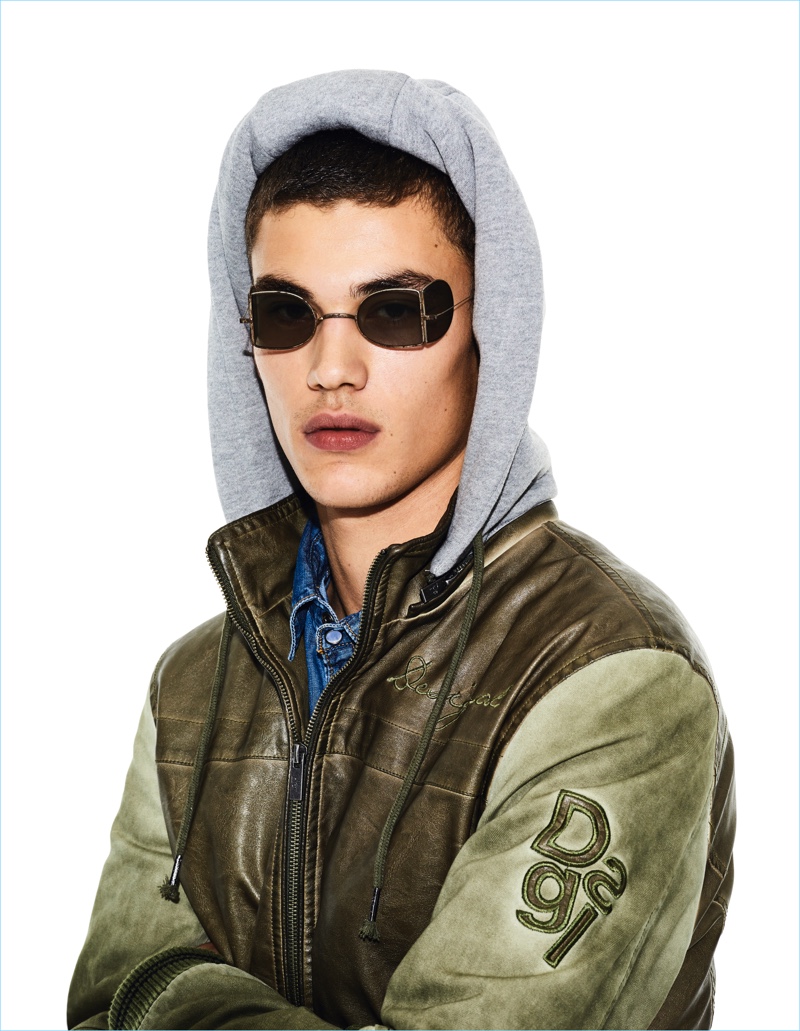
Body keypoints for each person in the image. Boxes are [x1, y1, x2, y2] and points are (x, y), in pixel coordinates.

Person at [68, 70, 735, 1031]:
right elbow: (104, 996)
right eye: (287, 313)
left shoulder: (609, 673)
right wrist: (144, 990)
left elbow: (142, 995)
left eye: (394, 310)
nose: (331, 369)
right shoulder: (194, 683)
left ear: (491, 328)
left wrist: (170, 999)